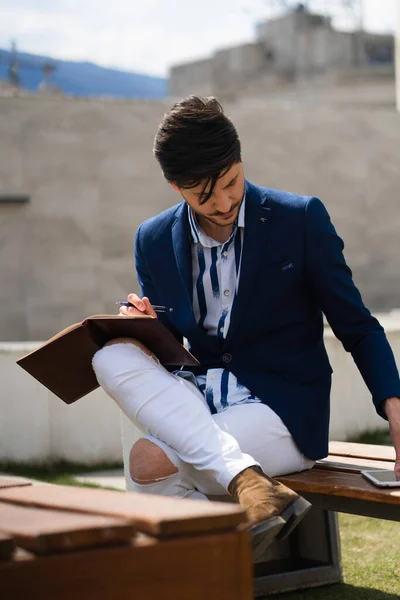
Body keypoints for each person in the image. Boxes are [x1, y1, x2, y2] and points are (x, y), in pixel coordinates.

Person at [92, 96, 400, 557]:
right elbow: (175, 350)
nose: (224, 202)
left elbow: (357, 326)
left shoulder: (299, 219)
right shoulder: (153, 239)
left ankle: (218, 544)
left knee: (149, 465)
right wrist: (147, 330)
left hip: (282, 409)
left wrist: (394, 407)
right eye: (204, 194)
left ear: (240, 159)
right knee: (110, 355)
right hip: (201, 400)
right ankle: (247, 490)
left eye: (232, 182)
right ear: (177, 187)